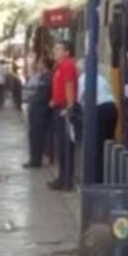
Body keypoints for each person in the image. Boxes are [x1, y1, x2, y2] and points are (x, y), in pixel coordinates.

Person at [77, 63, 118, 182]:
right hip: (112, 108)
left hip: (99, 110)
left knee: (98, 144)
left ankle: (98, 177)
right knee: (108, 142)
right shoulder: (101, 78)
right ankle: (109, 173)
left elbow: (80, 98)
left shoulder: (83, 79)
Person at [49, 42, 78, 191]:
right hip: (58, 108)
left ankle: (66, 180)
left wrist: (69, 107)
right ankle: (62, 178)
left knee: (66, 146)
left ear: (67, 52)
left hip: (64, 110)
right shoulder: (59, 67)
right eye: (55, 48)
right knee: (61, 146)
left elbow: (69, 85)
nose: (54, 51)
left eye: (58, 49)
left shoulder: (67, 65)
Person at [24, 57, 54, 169]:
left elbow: (43, 95)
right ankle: (34, 158)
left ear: (44, 64)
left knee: (37, 134)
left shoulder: (47, 77)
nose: (37, 65)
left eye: (40, 63)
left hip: (40, 109)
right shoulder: (42, 76)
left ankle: (36, 159)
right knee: (34, 134)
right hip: (36, 108)